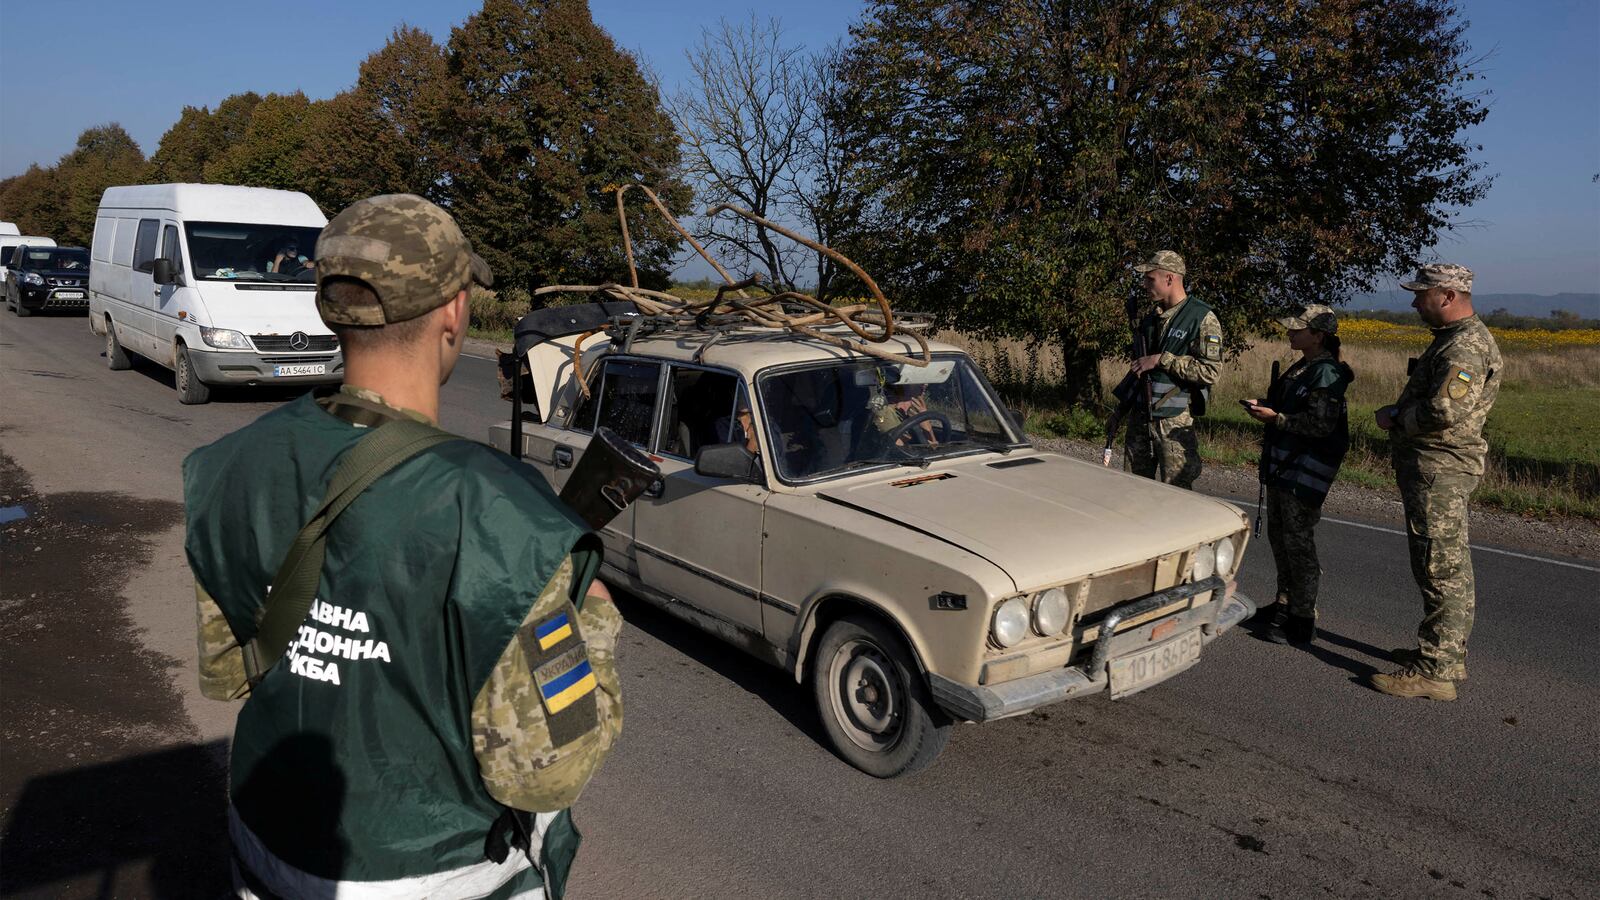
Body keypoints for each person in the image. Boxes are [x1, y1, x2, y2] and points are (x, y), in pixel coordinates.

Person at [184, 194, 622, 898]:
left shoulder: (228, 465)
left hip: (265, 848)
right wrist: (593, 615)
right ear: (454, 313)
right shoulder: (504, 515)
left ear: (335, 309)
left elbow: (225, 673)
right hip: (437, 874)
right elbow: (546, 773)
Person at [1369, 263, 1501, 702]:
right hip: (1435, 467)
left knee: (1439, 565)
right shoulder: (1453, 340)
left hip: (1440, 469)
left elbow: (1444, 411)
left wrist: (1397, 417)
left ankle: (1435, 672)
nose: (1413, 301)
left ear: (1448, 295)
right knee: (1444, 563)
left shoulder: (1464, 346)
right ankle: (1443, 654)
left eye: (1421, 293)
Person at [1241, 304, 1354, 645]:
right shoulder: (1303, 367)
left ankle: (1302, 620)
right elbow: (1292, 408)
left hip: (1303, 472)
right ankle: (1284, 604)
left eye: (1298, 329)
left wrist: (1275, 419)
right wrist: (1265, 406)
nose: (1290, 332)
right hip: (1285, 467)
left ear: (1318, 335)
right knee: (1280, 538)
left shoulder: (1327, 373)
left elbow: (1320, 425)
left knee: (1299, 544)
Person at [1126, 250, 1224, 489]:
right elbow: (1139, 369)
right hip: (1141, 419)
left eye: (1150, 278)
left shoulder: (1200, 317)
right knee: (1134, 493)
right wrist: (1121, 410)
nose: (1144, 284)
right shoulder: (1151, 319)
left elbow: (1210, 371)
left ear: (1169, 279)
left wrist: (1163, 360)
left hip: (1174, 422)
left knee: (1177, 497)